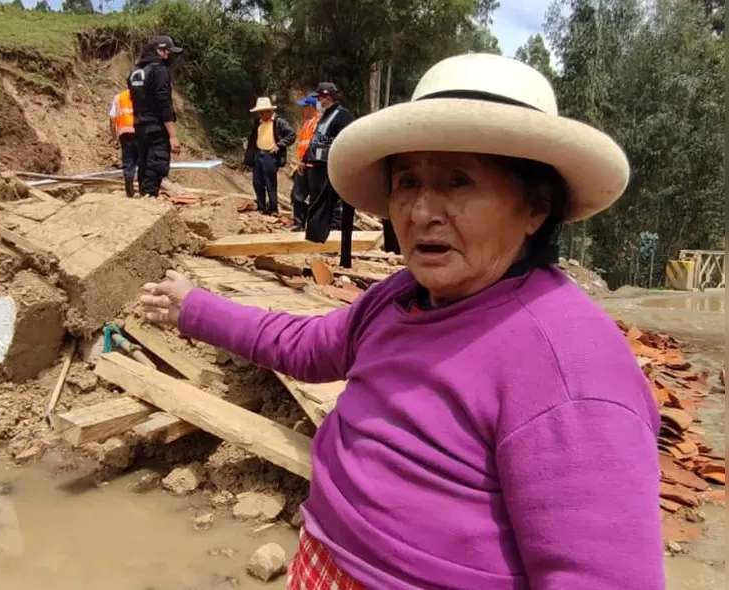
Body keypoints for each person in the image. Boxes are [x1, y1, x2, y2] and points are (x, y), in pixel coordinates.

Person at [139, 53, 662, 589]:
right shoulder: (402, 297)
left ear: (535, 208)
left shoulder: (571, 364)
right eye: (408, 181)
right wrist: (194, 308)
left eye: (459, 182)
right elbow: (308, 345)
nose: (420, 212)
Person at [128, 35, 183, 198]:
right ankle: (149, 199)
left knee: (144, 166)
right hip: (156, 128)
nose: (169, 56)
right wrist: (172, 135)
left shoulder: (135, 71)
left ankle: (144, 196)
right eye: (167, 52)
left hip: (139, 127)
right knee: (156, 166)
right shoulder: (159, 70)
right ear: (160, 51)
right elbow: (163, 103)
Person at [303, 82, 355, 244]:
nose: (318, 101)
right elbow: (315, 140)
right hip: (317, 166)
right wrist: (305, 159)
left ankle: (334, 235)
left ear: (327, 97)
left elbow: (346, 141)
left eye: (319, 98)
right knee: (316, 201)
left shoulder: (342, 115)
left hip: (330, 167)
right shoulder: (325, 115)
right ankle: (316, 236)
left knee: (331, 204)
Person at [242, 97, 296, 215]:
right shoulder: (258, 123)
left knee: (270, 182)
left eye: (262, 112)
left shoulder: (279, 122)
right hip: (258, 154)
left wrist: (280, 145)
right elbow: (252, 140)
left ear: (269, 111)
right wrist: (249, 158)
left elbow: (291, 135)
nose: (260, 114)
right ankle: (261, 207)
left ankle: (273, 208)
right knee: (257, 182)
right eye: (259, 112)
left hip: (270, 155)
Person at [289, 94, 321, 231]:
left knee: (315, 196)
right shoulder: (306, 123)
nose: (303, 109)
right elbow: (302, 145)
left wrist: (306, 160)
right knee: (298, 194)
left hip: (313, 165)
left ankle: (313, 225)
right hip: (303, 164)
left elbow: (314, 145)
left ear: (312, 107)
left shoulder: (319, 123)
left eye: (305, 107)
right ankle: (298, 223)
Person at [108, 88, 138, 198]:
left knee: (128, 163)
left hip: (124, 134)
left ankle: (130, 193)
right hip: (140, 131)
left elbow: (112, 119)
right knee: (143, 162)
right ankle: (145, 191)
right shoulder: (142, 95)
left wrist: (115, 138)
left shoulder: (118, 98)